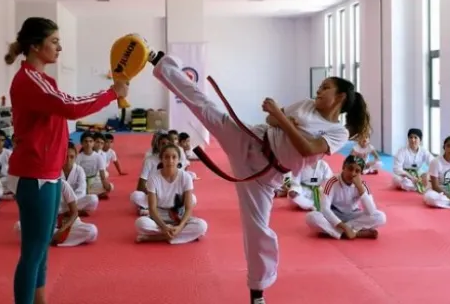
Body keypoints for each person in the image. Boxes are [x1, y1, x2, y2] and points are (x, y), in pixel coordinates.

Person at [149, 50, 369, 304]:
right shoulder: (306, 104)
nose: (319, 91)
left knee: (257, 231)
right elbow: (270, 119)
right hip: (250, 140)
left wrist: (285, 121)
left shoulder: (338, 132)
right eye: (320, 87)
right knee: (205, 107)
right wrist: (282, 119)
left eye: (325, 88)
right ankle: (162, 63)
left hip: (264, 177)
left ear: (340, 97)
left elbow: (308, 148)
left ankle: (257, 292)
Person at [4, 17, 128, 304]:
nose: (60, 48)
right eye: (55, 41)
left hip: (47, 172)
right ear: (35, 46)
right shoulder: (29, 80)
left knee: (42, 248)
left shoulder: (43, 79)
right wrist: (111, 93)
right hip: (33, 173)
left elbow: (65, 107)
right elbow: (70, 108)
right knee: (33, 252)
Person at [134, 144, 207, 244]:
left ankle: (158, 238)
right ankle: (179, 236)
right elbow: (152, 209)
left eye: (174, 157)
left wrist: (180, 226)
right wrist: (164, 227)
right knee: (141, 223)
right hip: (159, 217)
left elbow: (189, 208)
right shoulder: (154, 178)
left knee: (202, 225)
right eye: (166, 157)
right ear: (161, 159)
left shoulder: (186, 177)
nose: (170, 160)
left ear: (179, 159)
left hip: (178, 216)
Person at [305, 155, 386, 239]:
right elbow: (325, 209)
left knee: (380, 217)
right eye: (350, 169)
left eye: (357, 171)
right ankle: (355, 233)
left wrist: (360, 188)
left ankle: (336, 232)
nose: (352, 173)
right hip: (335, 214)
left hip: (353, 216)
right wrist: (344, 227)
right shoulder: (332, 181)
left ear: (361, 173)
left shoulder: (363, 186)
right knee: (311, 217)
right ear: (343, 167)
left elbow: (371, 212)